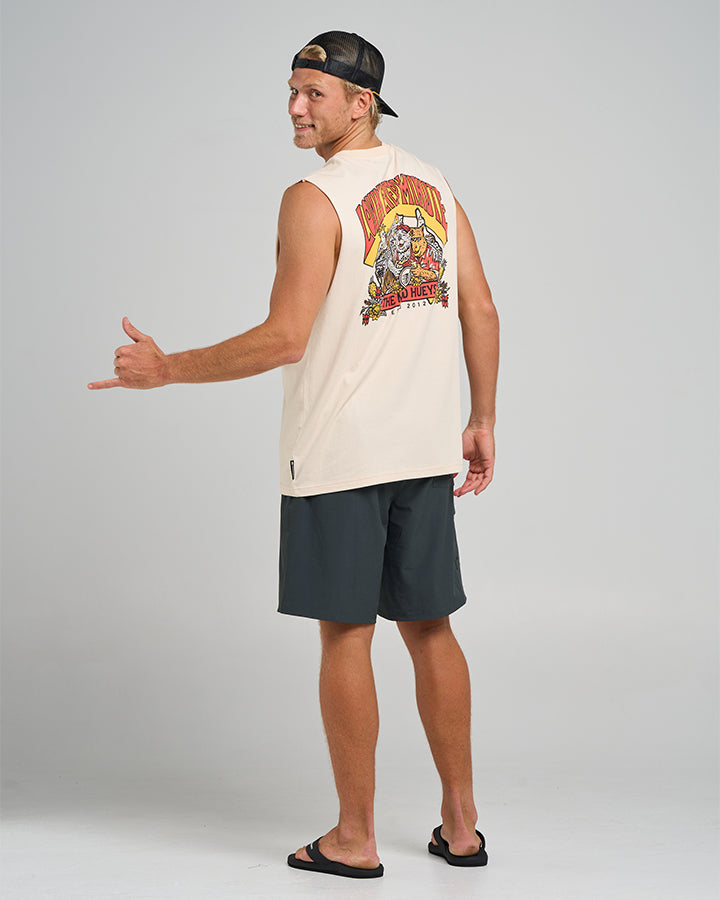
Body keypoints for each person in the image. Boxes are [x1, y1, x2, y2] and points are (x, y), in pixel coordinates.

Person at [88, 30, 499, 880]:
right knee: (430, 628)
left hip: (342, 453)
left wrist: (168, 369)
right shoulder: (436, 184)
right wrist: (481, 417)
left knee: (346, 634)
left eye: (314, 94)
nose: (296, 108)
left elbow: (284, 337)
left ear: (362, 104)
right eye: (292, 91)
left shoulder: (313, 198)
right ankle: (461, 827)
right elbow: (481, 309)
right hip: (423, 448)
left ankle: (354, 839)